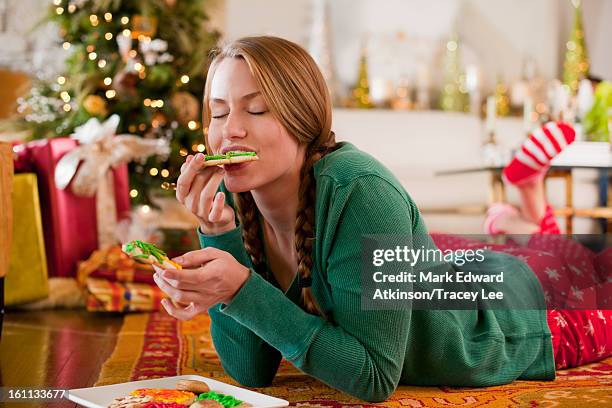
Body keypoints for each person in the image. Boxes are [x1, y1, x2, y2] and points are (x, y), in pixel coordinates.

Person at [152, 36, 611, 402]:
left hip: (527, 312)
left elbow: (372, 377)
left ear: (302, 118)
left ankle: (531, 205)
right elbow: (250, 370)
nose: (229, 129)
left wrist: (239, 288)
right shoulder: (237, 195)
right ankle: (524, 218)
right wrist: (219, 239)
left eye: (254, 109)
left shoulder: (361, 191)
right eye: (217, 112)